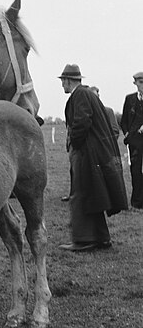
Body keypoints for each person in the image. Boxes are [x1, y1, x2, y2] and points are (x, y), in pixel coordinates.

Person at [58, 64, 128, 251]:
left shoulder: (80, 95)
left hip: (87, 153)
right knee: (94, 193)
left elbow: (81, 122)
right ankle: (102, 238)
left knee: (81, 194)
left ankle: (84, 240)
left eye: (62, 81)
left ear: (68, 80)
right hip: (94, 152)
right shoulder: (88, 94)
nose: (62, 85)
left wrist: (76, 145)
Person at [120, 71, 143, 210]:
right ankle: (137, 202)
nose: (141, 86)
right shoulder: (130, 99)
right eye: (139, 83)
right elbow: (124, 121)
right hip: (134, 141)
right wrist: (127, 133)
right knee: (135, 170)